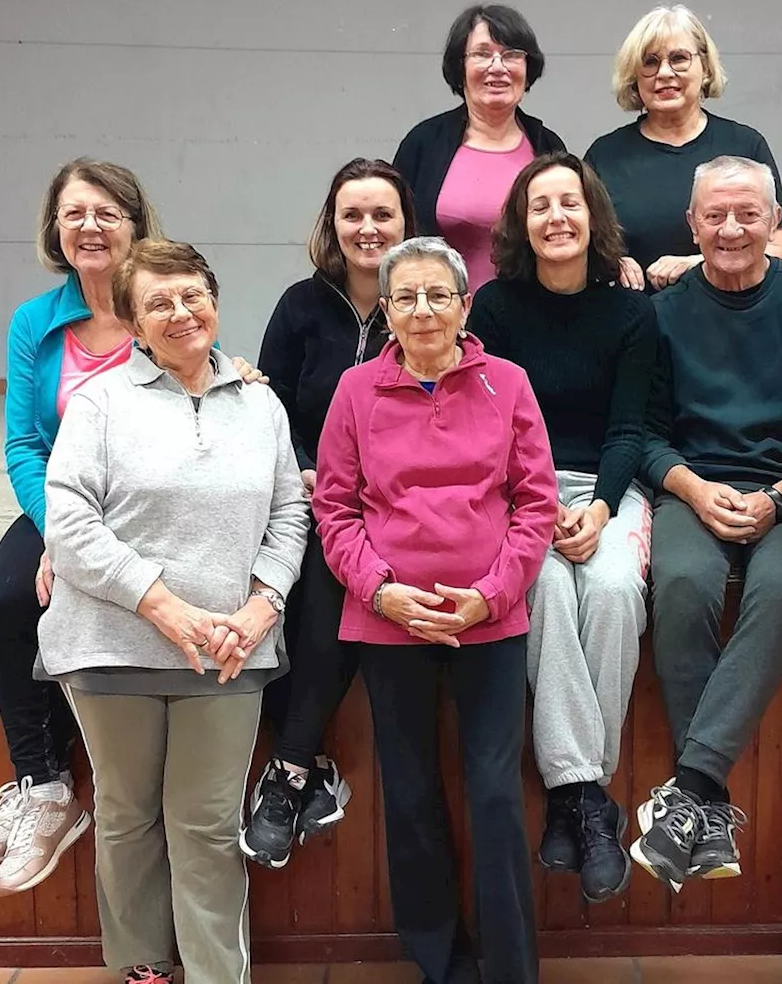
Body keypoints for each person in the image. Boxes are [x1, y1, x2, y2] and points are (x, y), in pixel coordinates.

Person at [0, 158, 264, 898]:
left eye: (107, 213)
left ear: (136, 223)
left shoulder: (163, 300)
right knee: (10, 596)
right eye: (75, 214)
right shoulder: (35, 323)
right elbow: (22, 443)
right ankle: (42, 783)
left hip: (162, 500)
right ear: (56, 229)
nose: (90, 227)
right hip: (65, 501)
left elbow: (206, 373)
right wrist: (55, 537)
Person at [37, 239, 309, 984]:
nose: (180, 312)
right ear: (132, 322)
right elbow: (69, 524)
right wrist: (161, 605)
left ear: (214, 301)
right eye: (158, 302)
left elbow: (291, 512)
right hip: (110, 646)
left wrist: (264, 604)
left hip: (227, 650)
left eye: (192, 295)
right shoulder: (99, 404)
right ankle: (143, 969)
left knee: (207, 827)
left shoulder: (261, 402)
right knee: (127, 819)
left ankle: (220, 975)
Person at [313, 237, 557, 983]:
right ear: (385, 311)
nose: (423, 311)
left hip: (490, 618)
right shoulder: (356, 390)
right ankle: (440, 962)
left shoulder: (507, 383)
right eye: (406, 298)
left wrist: (489, 596)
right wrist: (380, 590)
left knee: (493, 794)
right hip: (389, 620)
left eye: (438, 295)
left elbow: (535, 503)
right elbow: (335, 507)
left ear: (464, 304)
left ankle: (510, 967)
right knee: (412, 793)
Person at [630, 155, 782, 892]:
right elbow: (644, 432)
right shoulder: (659, 315)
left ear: (775, 223)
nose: (730, 230)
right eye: (715, 216)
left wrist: (779, 501)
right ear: (691, 224)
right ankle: (711, 803)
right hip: (695, 487)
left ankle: (691, 785)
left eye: (748, 215)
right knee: (685, 584)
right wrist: (694, 491)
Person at [469, 152, 655, 904]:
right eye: (539, 205)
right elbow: (493, 431)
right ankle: (590, 800)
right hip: (520, 490)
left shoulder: (631, 311)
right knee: (543, 593)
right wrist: (541, 508)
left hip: (610, 487)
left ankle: (573, 794)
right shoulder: (494, 309)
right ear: (521, 222)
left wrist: (603, 506)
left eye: (569, 203)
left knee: (610, 590)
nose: (556, 217)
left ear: (592, 216)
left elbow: (630, 427)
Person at [242, 158, 417, 868]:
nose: (369, 228)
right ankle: (300, 767)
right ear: (332, 224)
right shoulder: (299, 305)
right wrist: (304, 467)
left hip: (400, 500)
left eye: (384, 215)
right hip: (311, 489)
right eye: (354, 215)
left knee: (335, 583)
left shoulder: (426, 300)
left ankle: (288, 770)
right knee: (296, 581)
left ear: (408, 225)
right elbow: (269, 403)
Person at [585, 4, 782, 292]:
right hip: (635, 325)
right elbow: (582, 244)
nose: (664, 73)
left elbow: (779, 245)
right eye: (649, 62)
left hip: (728, 318)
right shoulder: (605, 155)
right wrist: (610, 262)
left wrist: (702, 264)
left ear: (705, 68)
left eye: (679, 58)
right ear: (634, 76)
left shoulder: (744, 145)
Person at [393, 3, 565, 293]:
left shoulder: (547, 146)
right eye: (482, 54)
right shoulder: (423, 144)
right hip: (440, 322)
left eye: (511, 55)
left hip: (530, 321)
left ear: (527, 67)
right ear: (460, 66)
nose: (497, 67)